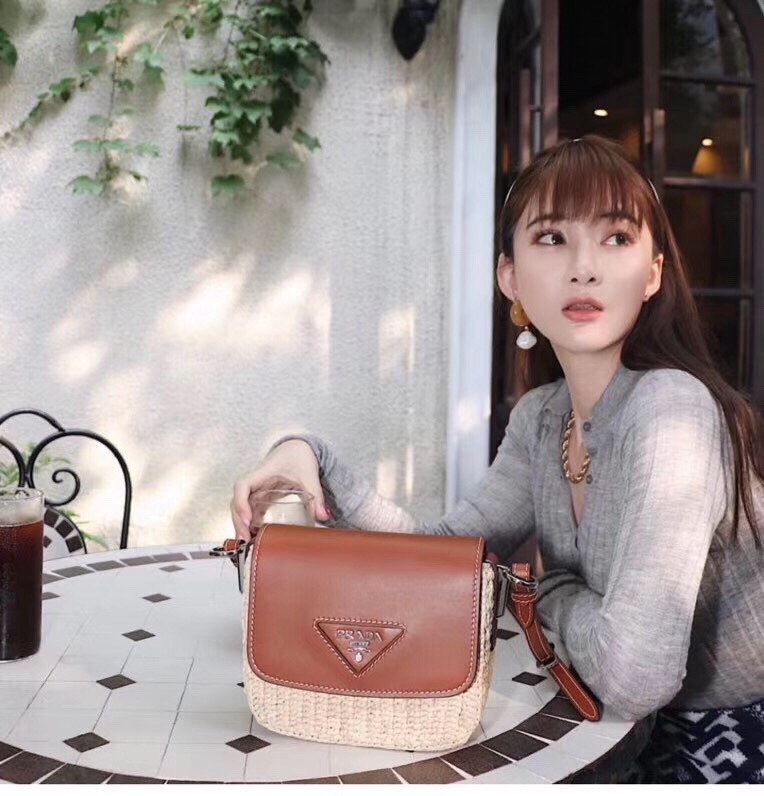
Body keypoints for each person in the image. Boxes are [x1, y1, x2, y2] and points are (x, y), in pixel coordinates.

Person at [230, 134, 764, 784]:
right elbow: (443, 553)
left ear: (652, 273)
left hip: (727, 739)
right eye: (552, 238)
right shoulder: (542, 417)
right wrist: (307, 455)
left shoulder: (671, 410)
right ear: (509, 276)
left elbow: (635, 675)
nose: (585, 268)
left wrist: (548, 590)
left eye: (616, 238)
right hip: (601, 718)